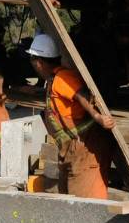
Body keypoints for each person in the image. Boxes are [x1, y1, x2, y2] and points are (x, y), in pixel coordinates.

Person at [27, 33, 115, 200]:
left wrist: (98, 117)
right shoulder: (53, 80)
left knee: (85, 202)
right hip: (71, 149)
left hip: (85, 147)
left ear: (38, 62)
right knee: (68, 198)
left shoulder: (63, 78)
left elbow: (82, 95)